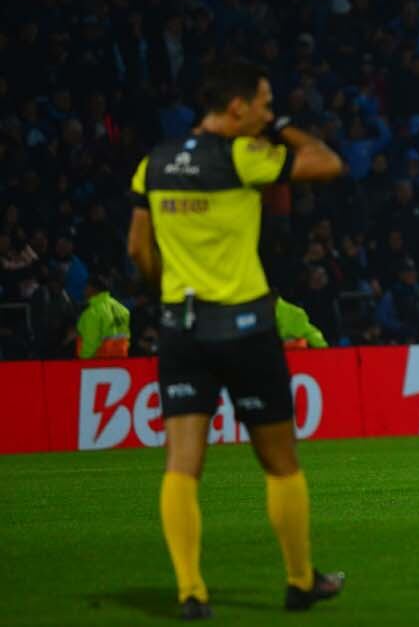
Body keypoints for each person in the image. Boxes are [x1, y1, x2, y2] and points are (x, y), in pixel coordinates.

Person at [127, 59, 346, 620]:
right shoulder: (244, 155)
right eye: (265, 103)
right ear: (237, 108)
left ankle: (191, 591)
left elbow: (138, 250)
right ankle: (300, 582)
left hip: (181, 326)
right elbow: (327, 162)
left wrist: (169, 291)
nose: (268, 112)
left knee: (182, 464)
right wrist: (283, 126)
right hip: (245, 327)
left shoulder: (151, 164)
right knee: (279, 462)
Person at [74, 273, 131, 359]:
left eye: (86, 287)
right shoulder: (122, 309)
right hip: (120, 361)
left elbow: (91, 342)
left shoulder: (93, 312)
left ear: (92, 289)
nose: (84, 290)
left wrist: (82, 360)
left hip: (98, 362)